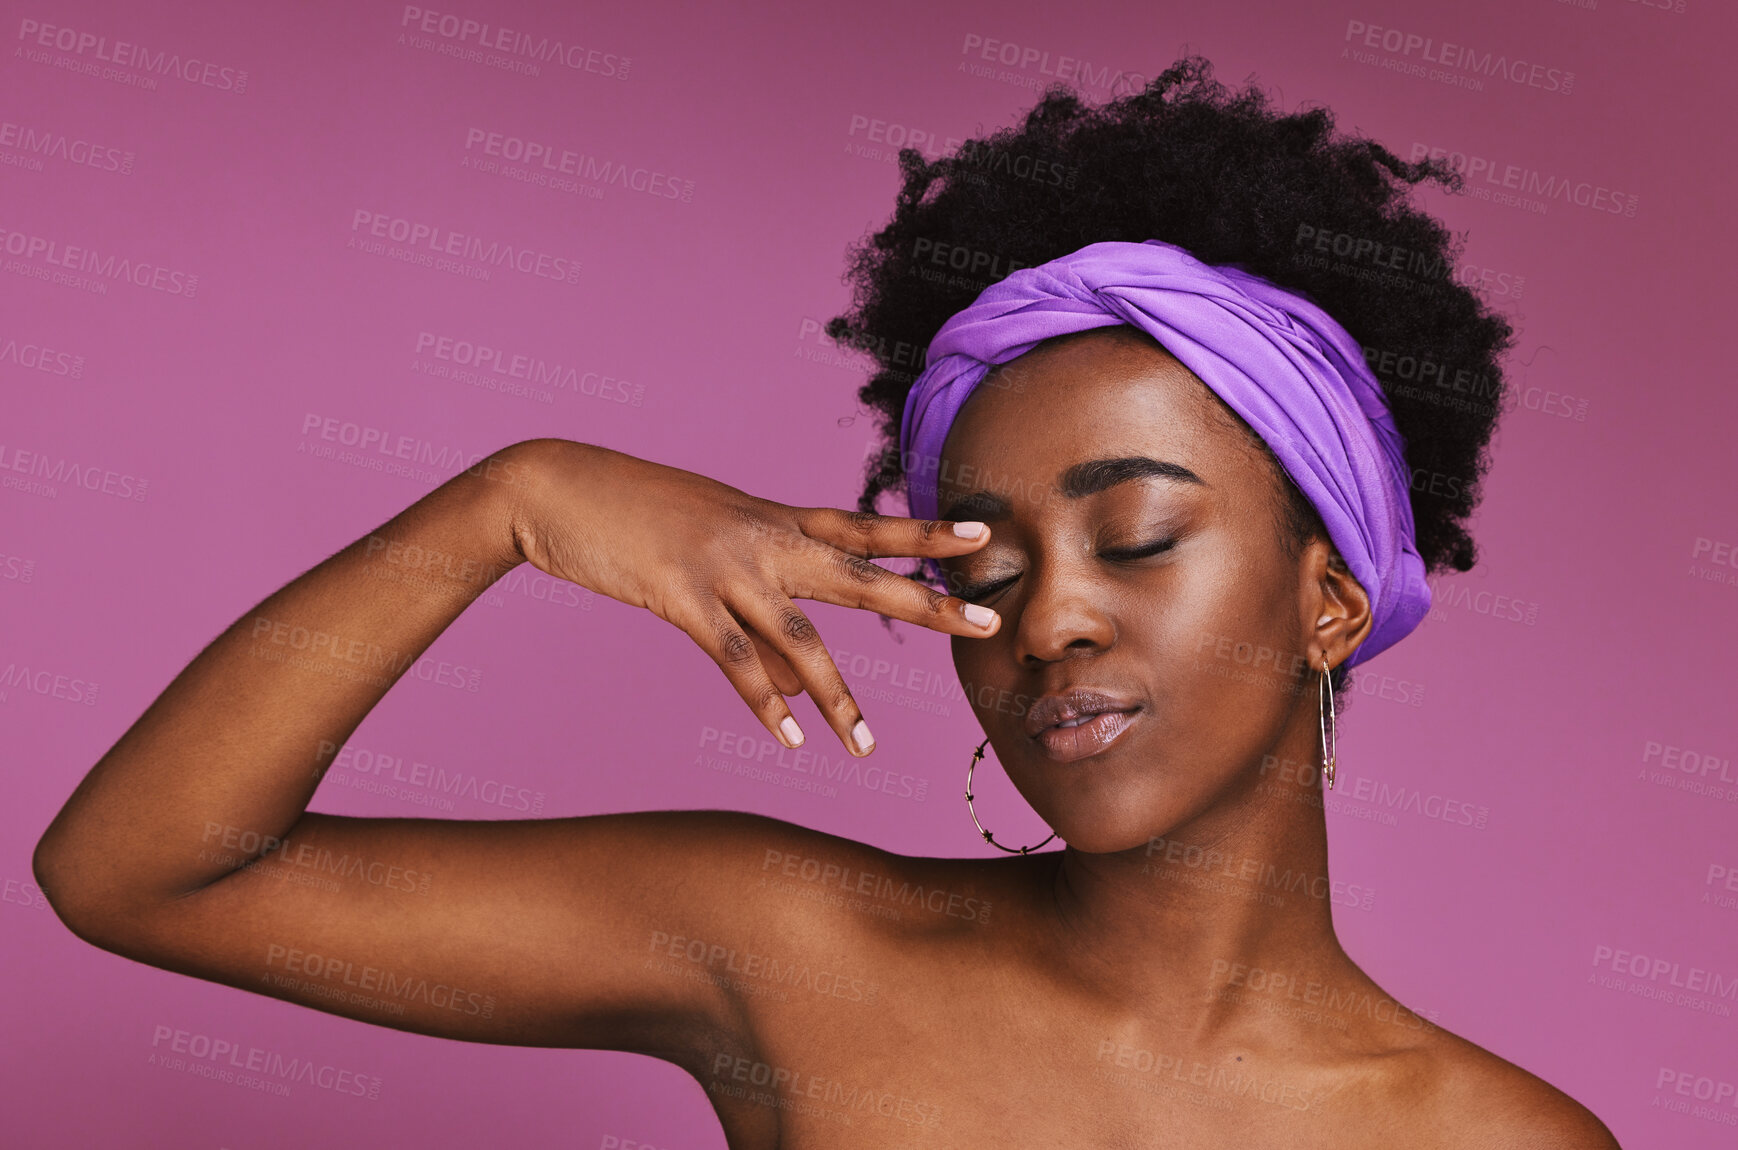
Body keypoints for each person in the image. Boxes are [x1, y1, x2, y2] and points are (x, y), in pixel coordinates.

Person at [34, 56, 1620, 1147]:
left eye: (1133, 535)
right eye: (981, 564)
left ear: (1329, 599)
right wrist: (506, 502)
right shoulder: (794, 948)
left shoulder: (1497, 1135)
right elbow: (145, 872)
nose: (1048, 617)